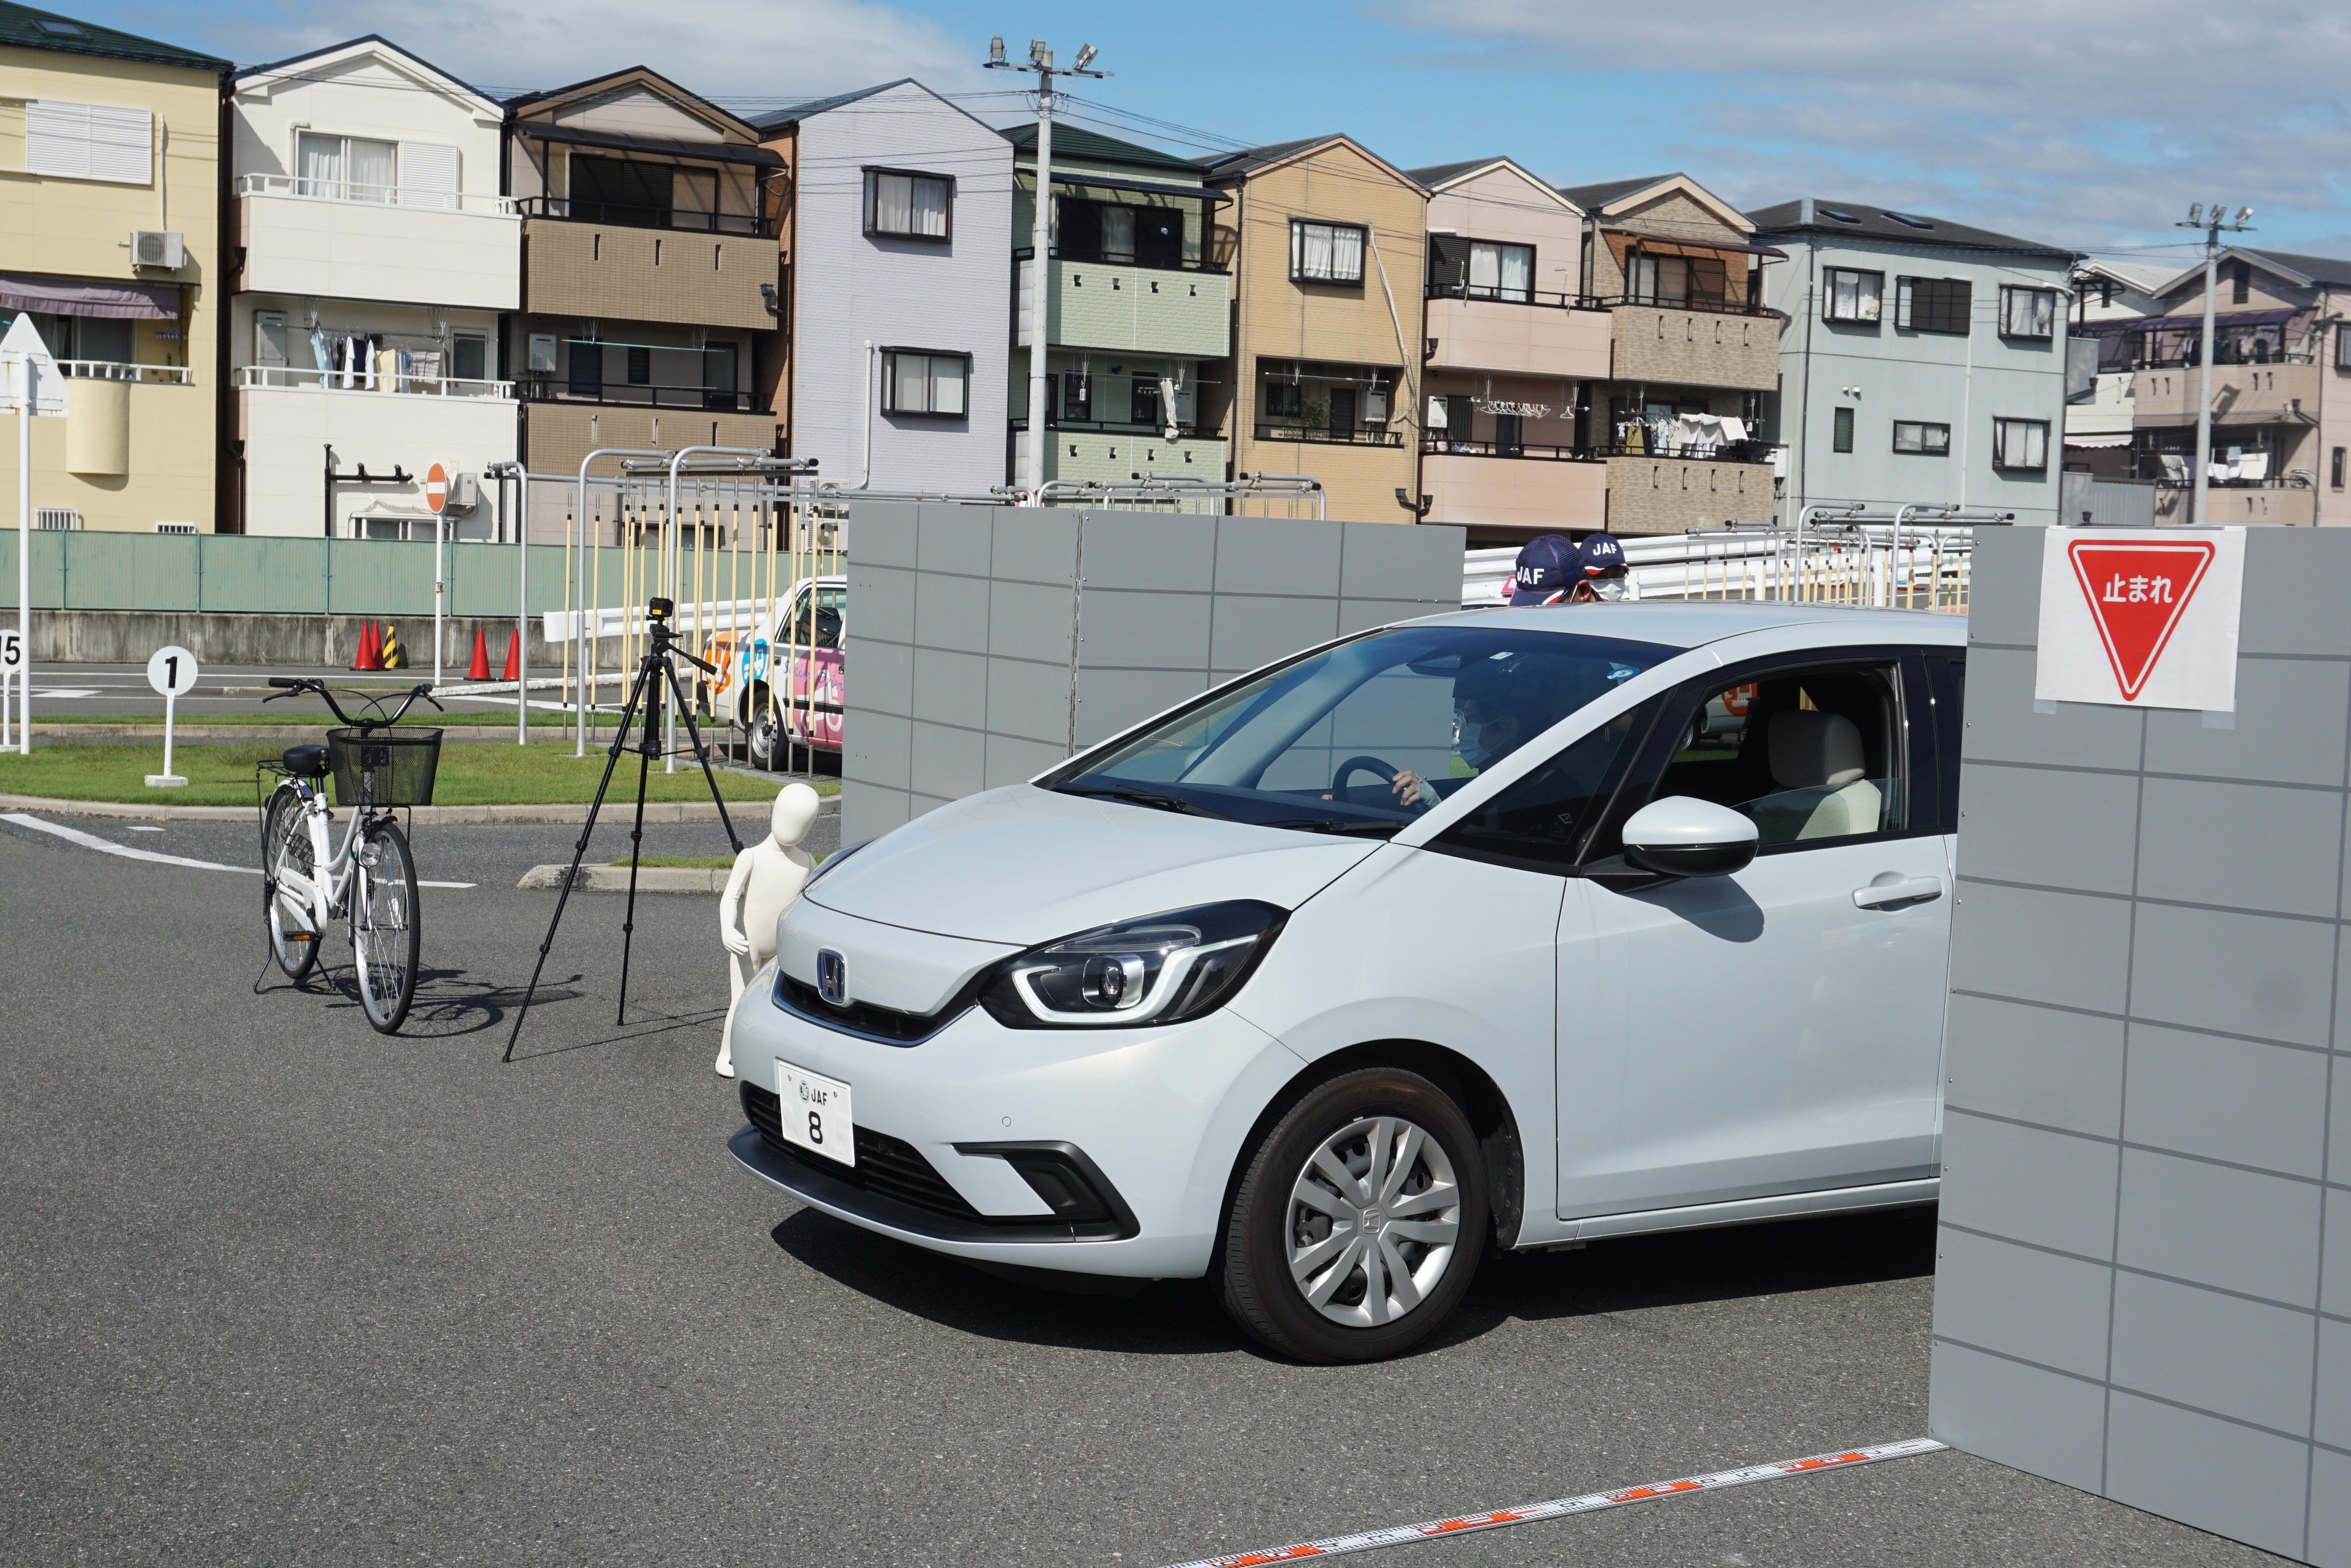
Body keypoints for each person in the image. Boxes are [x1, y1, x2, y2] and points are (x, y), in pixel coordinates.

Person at [716, 782, 821, 1078]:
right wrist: (727, 927)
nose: (793, 827)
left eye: (802, 822)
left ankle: (773, 1055)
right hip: (747, 945)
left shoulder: (807, 862)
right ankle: (728, 1053)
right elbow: (730, 897)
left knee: (780, 1004)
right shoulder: (751, 856)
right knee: (742, 1001)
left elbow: (808, 901)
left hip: (781, 947)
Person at [1389, 658, 1547, 809]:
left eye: (1472, 720)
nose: (1464, 731)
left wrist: (1434, 802)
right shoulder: (1493, 784)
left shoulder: (1544, 798)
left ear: (1508, 728)